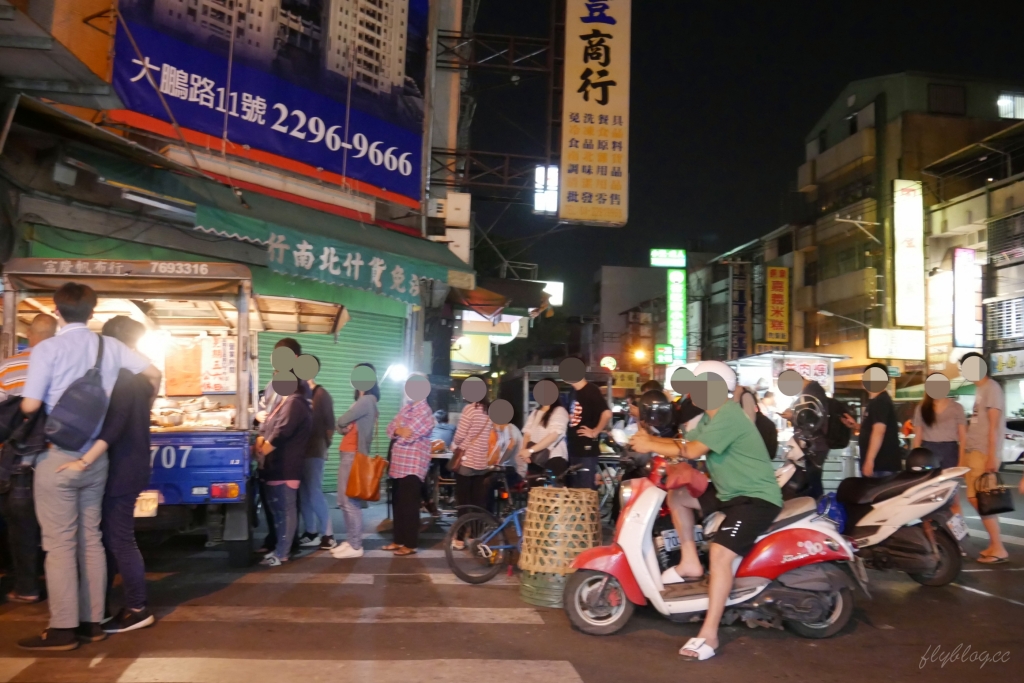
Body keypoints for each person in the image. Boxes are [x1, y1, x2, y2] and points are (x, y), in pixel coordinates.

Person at [18, 283, 161, 651]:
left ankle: (63, 629)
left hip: (57, 456)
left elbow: (31, 406)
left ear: (56, 309)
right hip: (97, 459)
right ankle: (92, 623)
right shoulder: (110, 347)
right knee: (92, 540)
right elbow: (154, 373)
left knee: (60, 544)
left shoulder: (48, 348)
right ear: (93, 311)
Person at [630, 360, 782, 662]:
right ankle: (689, 563)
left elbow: (694, 450)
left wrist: (650, 444)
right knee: (678, 495)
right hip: (730, 494)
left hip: (755, 499)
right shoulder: (710, 419)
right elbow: (684, 442)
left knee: (720, 555)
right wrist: (650, 441)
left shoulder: (729, 416)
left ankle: (709, 634)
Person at [59, 316, 155, 634]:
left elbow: (114, 427)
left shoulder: (125, 379)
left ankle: (137, 608)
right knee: (110, 538)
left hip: (123, 466)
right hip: (131, 463)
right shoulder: (138, 377)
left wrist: (84, 460)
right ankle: (101, 604)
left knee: (120, 539)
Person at [0, 313, 57, 605]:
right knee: (59, 527)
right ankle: (64, 589)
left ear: (32, 336)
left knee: (20, 525)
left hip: (19, 460)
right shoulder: (65, 365)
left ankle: (27, 587)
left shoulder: (8, 366)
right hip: (59, 457)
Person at [254, 379, 312, 567]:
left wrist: (263, 450)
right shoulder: (283, 403)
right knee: (279, 512)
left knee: (285, 511)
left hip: (287, 466)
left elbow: (282, 432)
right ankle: (279, 548)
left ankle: (282, 553)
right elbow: (267, 428)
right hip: (276, 466)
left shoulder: (295, 402)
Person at [255, 338, 303, 555]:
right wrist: (259, 422)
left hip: (284, 454)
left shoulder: (297, 386)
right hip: (270, 453)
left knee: (286, 503)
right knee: (272, 502)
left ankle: (287, 545)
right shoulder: (272, 383)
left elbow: (286, 424)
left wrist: (267, 444)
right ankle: (275, 540)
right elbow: (265, 412)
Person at [960, 352, 1008, 564]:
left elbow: (994, 426)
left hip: (983, 453)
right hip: (974, 452)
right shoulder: (981, 389)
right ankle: (994, 544)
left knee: (984, 499)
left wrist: (992, 455)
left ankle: (998, 547)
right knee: (974, 498)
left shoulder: (992, 388)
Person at [332, 363, 380, 560]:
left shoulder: (367, 400)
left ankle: (356, 544)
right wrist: (342, 426)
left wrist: (342, 425)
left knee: (350, 501)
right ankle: (351, 540)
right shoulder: (363, 399)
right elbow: (342, 425)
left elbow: (342, 420)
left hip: (353, 453)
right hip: (348, 452)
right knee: (344, 501)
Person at [385, 380, 435, 556]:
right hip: (398, 462)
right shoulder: (407, 407)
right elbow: (390, 428)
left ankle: (411, 544)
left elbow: (409, 435)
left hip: (413, 463)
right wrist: (399, 429)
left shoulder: (425, 411)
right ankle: (399, 540)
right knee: (398, 503)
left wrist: (399, 429)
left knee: (409, 505)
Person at [450, 380, 495, 548]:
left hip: (467, 461)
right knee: (478, 503)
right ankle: (476, 537)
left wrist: (454, 445)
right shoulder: (490, 410)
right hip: (483, 463)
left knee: (463, 503)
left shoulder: (470, 409)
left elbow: (460, 435)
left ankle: (460, 539)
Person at [297, 373, 337, 551]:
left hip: (314, 450)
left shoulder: (321, 394)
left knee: (314, 492)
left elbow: (330, 425)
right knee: (304, 493)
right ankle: (311, 532)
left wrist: (324, 446)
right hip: (299, 452)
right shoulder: (299, 394)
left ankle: (328, 535)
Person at [842, 362, 902, 478]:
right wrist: (856, 426)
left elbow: (879, 430)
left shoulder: (880, 402)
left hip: (881, 466)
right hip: (880, 465)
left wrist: (870, 461)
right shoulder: (877, 402)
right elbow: (874, 428)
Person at [782, 376, 830, 498]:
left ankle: (817, 507)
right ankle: (815, 506)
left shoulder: (812, 392)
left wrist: (792, 416)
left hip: (815, 444)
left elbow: (810, 419)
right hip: (814, 444)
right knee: (811, 479)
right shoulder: (811, 392)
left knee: (812, 479)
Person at [566, 365, 612, 489]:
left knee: (585, 489)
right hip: (573, 447)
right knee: (575, 489)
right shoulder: (573, 392)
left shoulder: (591, 390)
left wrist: (595, 432)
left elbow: (607, 413)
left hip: (586, 449)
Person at [519, 398, 570, 480]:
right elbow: (527, 434)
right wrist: (525, 452)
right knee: (535, 490)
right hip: (534, 460)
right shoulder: (535, 412)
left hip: (554, 457)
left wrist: (530, 451)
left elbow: (553, 436)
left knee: (552, 490)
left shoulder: (560, 411)